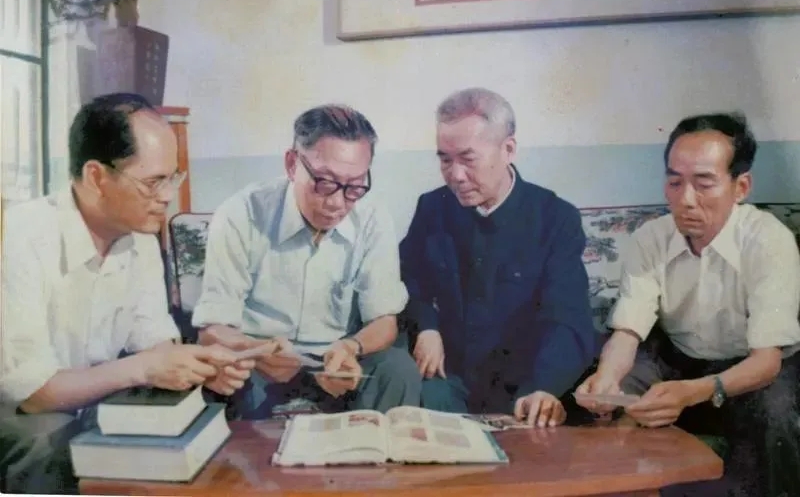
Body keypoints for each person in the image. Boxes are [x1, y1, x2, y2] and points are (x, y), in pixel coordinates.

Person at [0, 93, 250, 495]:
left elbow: (156, 344)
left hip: (87, 402)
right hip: (22, 414)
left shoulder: (139, 238)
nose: (167, 196)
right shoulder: (20, 237)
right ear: (97, 177)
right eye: (153, 182)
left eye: (173, 178)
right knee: (47, 437)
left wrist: (199, 367)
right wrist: (145, 368)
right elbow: (33, 394)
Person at [575, 112, 800, 497]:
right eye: (675, 182)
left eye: (704, 183)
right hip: (676, 357)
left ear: (741, 187)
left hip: (756, 368)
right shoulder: (651, 238)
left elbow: (767, 361)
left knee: (775, 416)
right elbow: (628, 331)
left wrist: (694, 392)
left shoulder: (769, 242)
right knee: (599, 398)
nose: (685, 200)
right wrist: (608, 378)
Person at [193, 104, 421, 419]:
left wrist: (351, 347)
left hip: (336, 364)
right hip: (261, 366)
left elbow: (384, 321)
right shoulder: (241, 214)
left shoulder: (373, 217)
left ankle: (375, 450)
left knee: (397, 369)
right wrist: (255, 350)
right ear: (292, 164)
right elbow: (212, 329)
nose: (337, 203)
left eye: (355, 186)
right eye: (325, 182)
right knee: (229, 377)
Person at [399, 87, 597, 426]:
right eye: (445, 160)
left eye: (468, 159)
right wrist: (427, 328)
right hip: (451, 378)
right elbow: (408, 280)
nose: (455, 175)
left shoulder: (554, 218)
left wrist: (544, 387)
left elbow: (566, 317)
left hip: (524, 384)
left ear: (508, 150)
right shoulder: (432, 208)